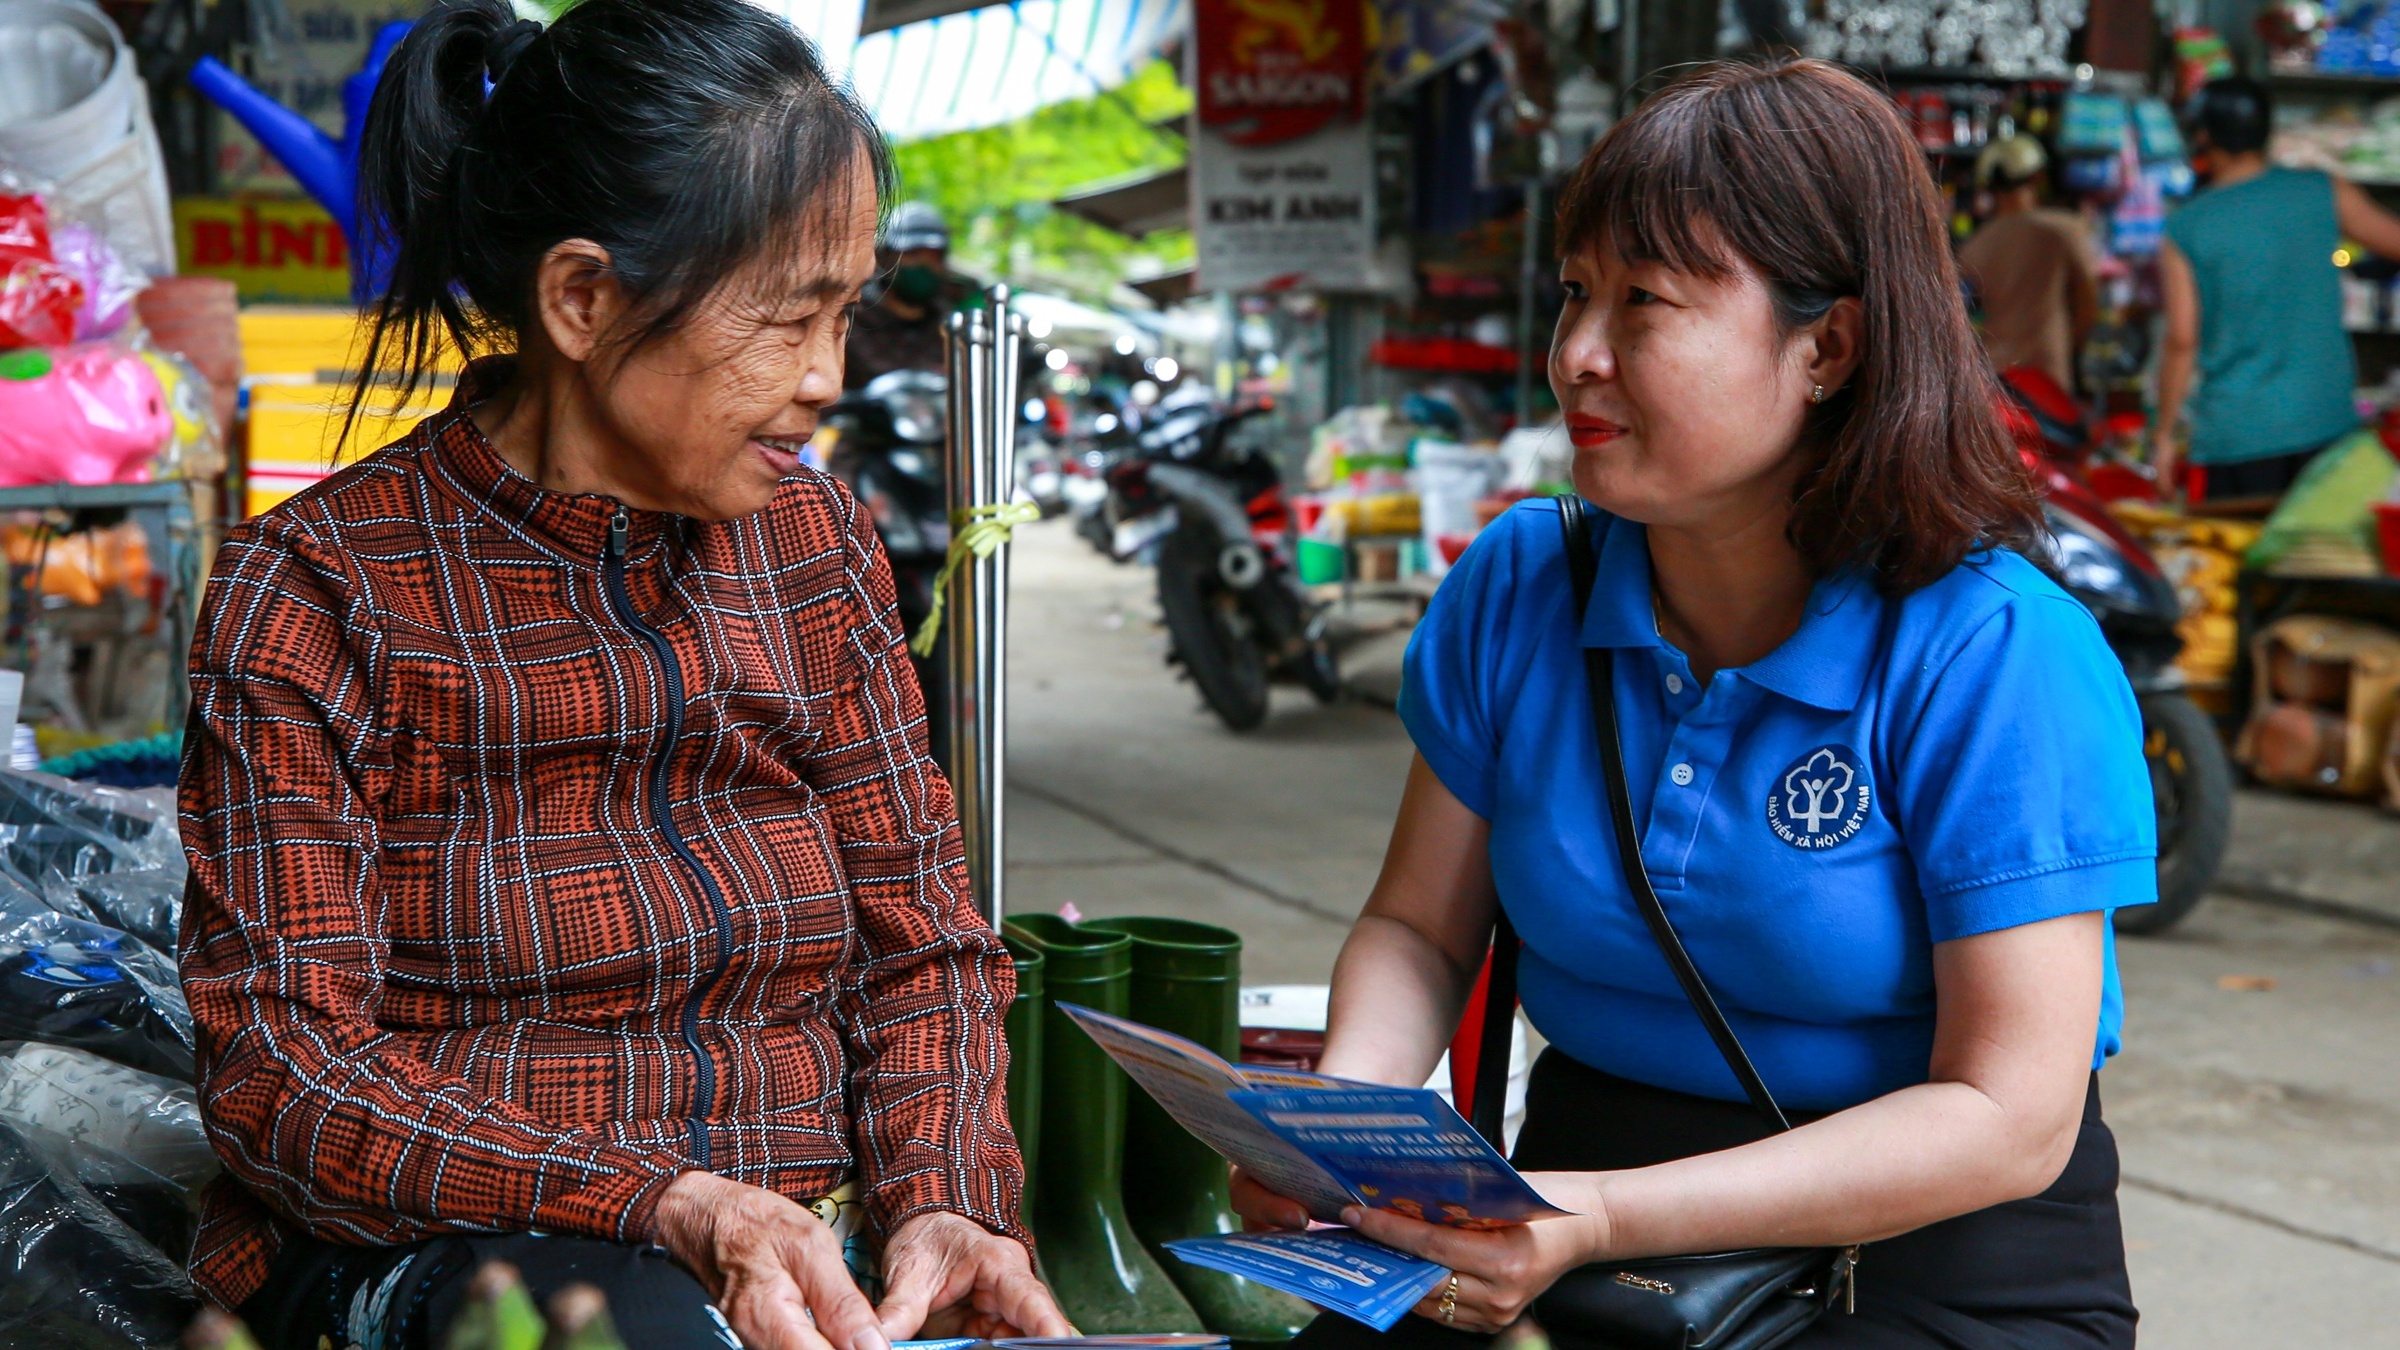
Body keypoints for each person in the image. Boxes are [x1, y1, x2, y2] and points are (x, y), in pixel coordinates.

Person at [176, 3, 1069, 1348]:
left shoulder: (815, 547)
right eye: (786, 321)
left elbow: (924, 947)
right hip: (453, 1254)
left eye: (847, 314)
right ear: (582, 300)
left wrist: (945, 1199)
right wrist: (664, 1200)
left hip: (794, 1246)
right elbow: (285, 1078)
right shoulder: (316, 590)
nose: (828, 377)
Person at [1233, 59, 2151, 1349]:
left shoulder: (1997, 653)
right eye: (1574, 294)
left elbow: (2011, 1114)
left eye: (1646, 303)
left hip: (1913, 1267)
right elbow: (1420, 929)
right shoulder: (1522, 583)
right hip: (1559, 1220)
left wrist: (1599, 1216)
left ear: (1827, 345)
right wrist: (1342, 1127)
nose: (1577, 356)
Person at [2155, 76, 2400, 502]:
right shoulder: (2322, 190)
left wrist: (2161, 434)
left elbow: (2182, 340)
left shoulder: (2186, 225)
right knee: (2317, 560)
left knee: (2240, 558)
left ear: (2203, 136)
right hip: (2325, 424)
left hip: (2237, 434)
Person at [1958, 134, 2096, 394]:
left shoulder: (1974, 246)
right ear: (2037, 177)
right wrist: (2073, 347)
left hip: (1995, 378)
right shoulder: (2066, 229)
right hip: (2049, 372)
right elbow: (2087, 301)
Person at [844, 202, 966, 389]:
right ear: (886, 257)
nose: (925, 266)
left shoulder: (950, 326)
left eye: (935, 256)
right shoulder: (854, 320)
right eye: (914, 254)